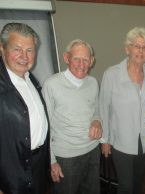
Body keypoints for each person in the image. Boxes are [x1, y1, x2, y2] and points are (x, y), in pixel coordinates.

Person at [99, 27, 145, 194]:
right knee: (125, 186)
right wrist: (105, 140)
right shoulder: (112, 74)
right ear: (127, 49)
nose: (140, 51)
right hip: (121, 141)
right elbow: (103, 106)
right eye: (136, 46)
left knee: (138, 182)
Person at [42, 39, 102, 194]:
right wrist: (51, 160)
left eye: (86, 59)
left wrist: (97, 121)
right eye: (76, 59)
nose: (81, 64)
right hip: (66, 157)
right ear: (66, 58)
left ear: (92, 61)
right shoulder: (51, 85)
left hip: (92, 150)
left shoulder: (93, 82)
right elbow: (44, 127)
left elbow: (97, 110)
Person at [0, 23, 49, 194]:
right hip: (11, 174)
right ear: (2, 48)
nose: (24, 56)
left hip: (37, 166)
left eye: (30, 50)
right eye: (17, 49)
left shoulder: (31, 79)